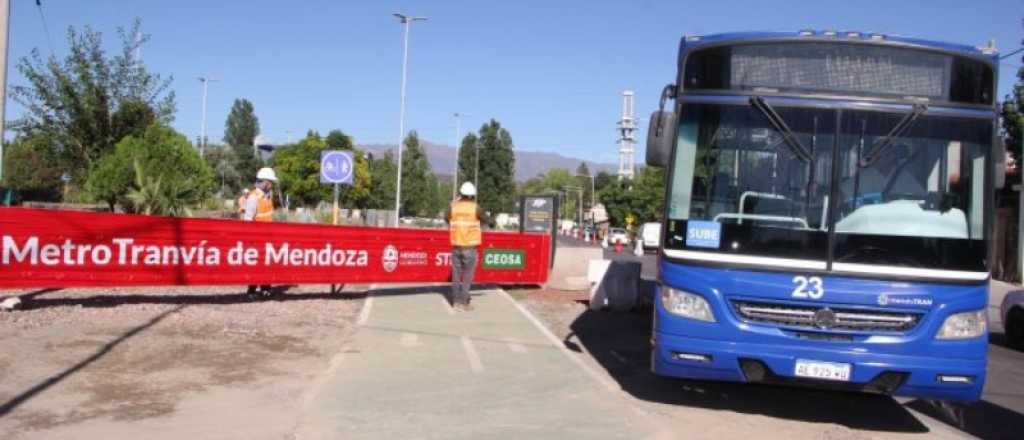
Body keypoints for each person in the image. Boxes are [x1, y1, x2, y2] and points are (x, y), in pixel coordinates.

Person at [446, 182, 490, 312]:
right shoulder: (475, 208)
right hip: (470, 246)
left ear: (460, 194)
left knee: (456, 275)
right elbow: (486, 219)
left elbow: (446, 217)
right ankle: (464, 302)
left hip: (456, 245)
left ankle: (455, 302)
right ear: (472, 195)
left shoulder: (453, 207)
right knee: (467, 276)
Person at [243, 167, 278, 298]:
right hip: (257, 238)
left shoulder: (267, 196)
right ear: (265, 182)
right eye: (271, 182)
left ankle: (265, 288)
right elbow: (248, 219)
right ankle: (251, 291)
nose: (272, 185)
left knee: (267, 264)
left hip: (268, 237)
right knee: (256, 265)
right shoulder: (254, 197)